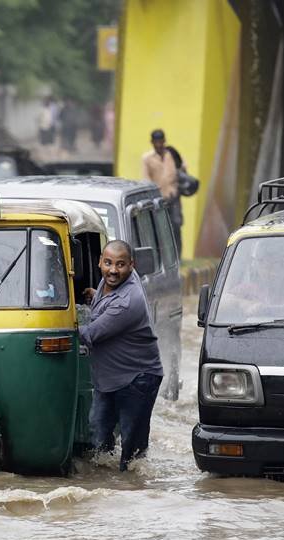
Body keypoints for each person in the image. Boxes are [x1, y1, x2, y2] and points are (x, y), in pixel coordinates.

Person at [79, 240, 163, 471]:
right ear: (100, 262)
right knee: (98, 433)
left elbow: (90, 334)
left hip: (138, 379)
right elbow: (108, 300)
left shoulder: (127, 301)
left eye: (120, 265)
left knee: (132, 453)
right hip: (109, 379)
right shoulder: (109, 282)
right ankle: (108, 485)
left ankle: (133, 487)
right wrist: (96, 296)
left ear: (131, 265)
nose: (113, 270)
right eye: (108, 263)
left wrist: (60, 322)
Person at [142, 129, 182, 252]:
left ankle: (177, 256)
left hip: (173, 197)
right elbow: (146, 179)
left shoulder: (171, 154)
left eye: (161, 141)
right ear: (152, 142)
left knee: (176, 226)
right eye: (156, 142)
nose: (159, 144)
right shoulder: (147, 158)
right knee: (159, 229)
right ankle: (162, 255)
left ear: (164, 141)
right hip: (158, 200)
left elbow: (182, 168)